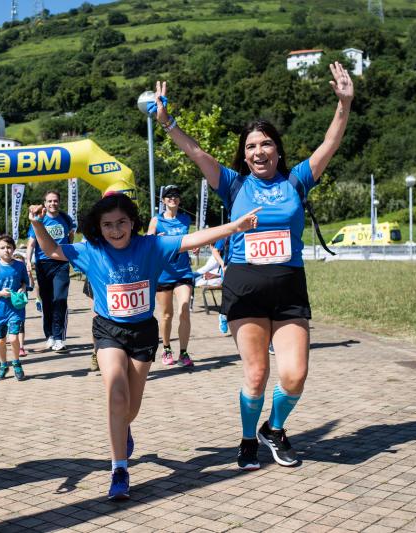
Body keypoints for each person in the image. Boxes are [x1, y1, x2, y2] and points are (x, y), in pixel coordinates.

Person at [153, 61, 354, 470]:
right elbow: (197, 154)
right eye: (250, 146)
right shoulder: (234, 184)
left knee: (295, 375)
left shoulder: (297, 180)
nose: (258, 151)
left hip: (289, 288)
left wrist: (344, 104)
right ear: (243, 156)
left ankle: (273, 429)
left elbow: (329, 145)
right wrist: (168, 122)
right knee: (258, 374)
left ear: (277, 150)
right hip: (245, 288)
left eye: (265, 144)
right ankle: (247, 440)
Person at [28, 192, 259, 500]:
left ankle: (124, 430)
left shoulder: (151, 245)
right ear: (98, 227)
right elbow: (52, 249)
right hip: (108, 330)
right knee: (116, 393)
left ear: (133, 222)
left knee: (131, 407)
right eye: (107, 224)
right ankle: (119, 469)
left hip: (143, 333)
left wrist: (235, 226)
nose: (115, 230)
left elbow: (194, 239)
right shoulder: (91, 250)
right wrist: (36, 222)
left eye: (121, 222)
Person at [147, 184, 196, 367]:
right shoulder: (156, 220)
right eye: (169, 196)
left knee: (184, 311)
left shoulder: (185, 220)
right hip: (163, 274)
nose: (172, 198)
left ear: (179, 199)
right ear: (163, 200)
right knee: (167, 315)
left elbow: (187, 241)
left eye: (175, 195)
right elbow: (147, 242)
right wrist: (154, 239)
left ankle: (184, 353)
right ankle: (166, 348)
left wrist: (194, 246)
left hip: (183, 272)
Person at [26, 190, 75, 352]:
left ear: (59, 202)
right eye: (49, 201)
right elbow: (32, 243)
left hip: (61, 263)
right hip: (43, 264)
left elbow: (71, 237)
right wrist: (28, 260)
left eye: (55, 201)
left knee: (60, 299)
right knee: (47, 301)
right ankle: (50, 336)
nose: (52, 203)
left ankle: (59, 338)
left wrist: (70, 255)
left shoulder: (66, 219)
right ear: (45, 203)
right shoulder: (40, 219)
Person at [0, 234, 31, 381]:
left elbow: (24, 282)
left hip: (15, 309)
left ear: (14, 249)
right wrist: (0, 293)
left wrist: (22, 288)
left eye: (9, 247)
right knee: (1, 340)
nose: (6, 250)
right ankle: (3, 365)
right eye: (2, 248)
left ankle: (16, 363)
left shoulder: (19, 266)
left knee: (14, 337)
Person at [194, 238, 229, 334]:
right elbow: (209, 236)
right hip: (225, 272)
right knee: (229, 294)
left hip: (217, 277)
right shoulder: (226, 235)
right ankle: (223, 315)